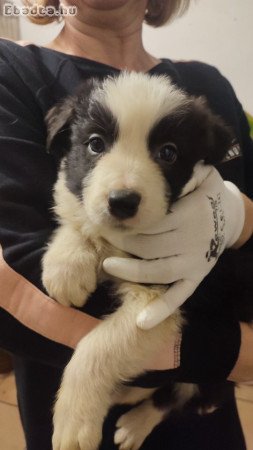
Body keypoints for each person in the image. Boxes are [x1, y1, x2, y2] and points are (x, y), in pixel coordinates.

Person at [0, 1, 252, 449]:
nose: (125, 184)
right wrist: (234, 353)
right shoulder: (13, 69)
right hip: (70, 412)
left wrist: (240, 217)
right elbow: (14, 274)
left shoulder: (208, 88)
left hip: (203, 415)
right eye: (97, 143)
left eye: (167, 154)